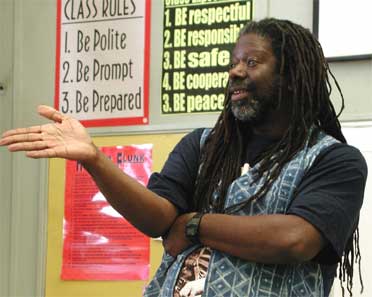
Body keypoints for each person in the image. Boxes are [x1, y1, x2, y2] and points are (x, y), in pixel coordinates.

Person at [0, 18, 367, 297]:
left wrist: (193, 224)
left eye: (252, 62)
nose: (235, 71)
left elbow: (293, 239)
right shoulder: (204, 145)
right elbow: (157, 217)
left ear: (290, 77)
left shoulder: (334, 161)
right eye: (234, 62)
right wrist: (96, 160)